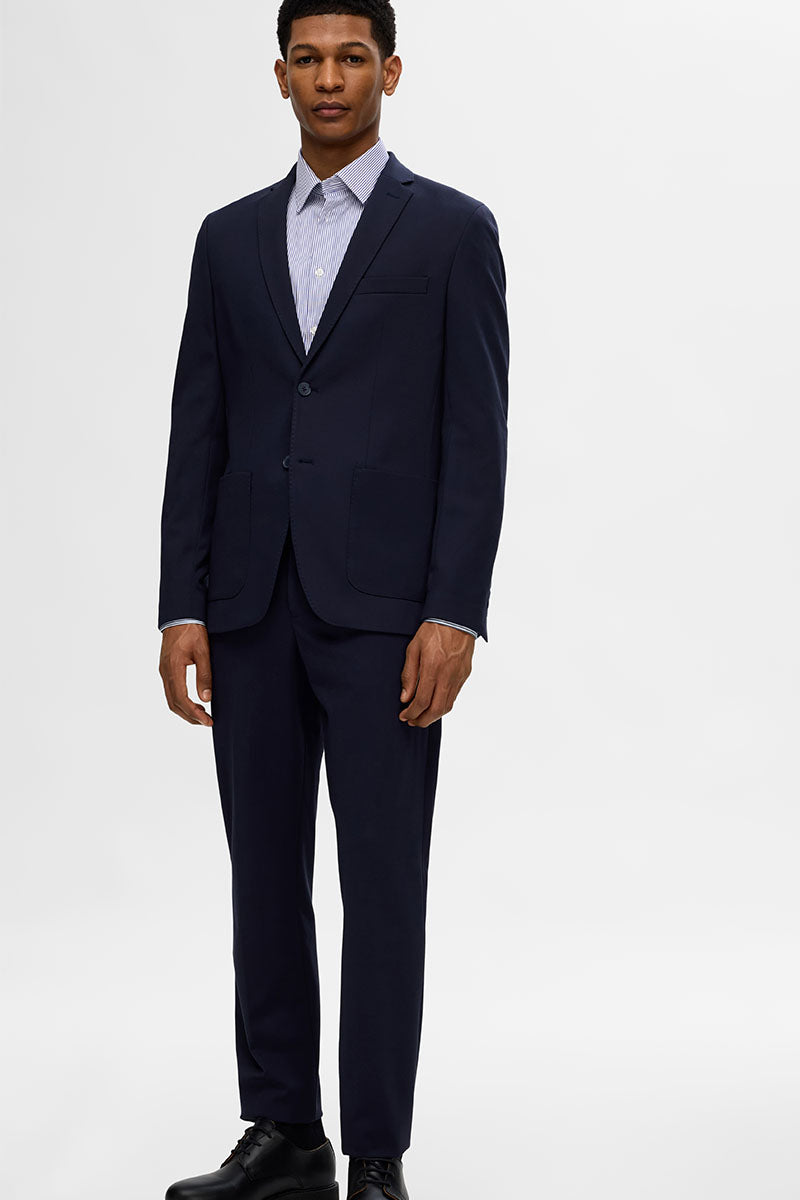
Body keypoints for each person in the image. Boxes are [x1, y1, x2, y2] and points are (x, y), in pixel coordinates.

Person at [157, 2, 509, 1197]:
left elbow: (475, 436)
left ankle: (374, 1155)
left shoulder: (450, 231)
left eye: (350, 57)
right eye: (306, 58)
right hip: (249, 605)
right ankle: (284, 1132)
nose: (327, 78)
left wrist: (453, 611)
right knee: (263, 877)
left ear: (388, 71)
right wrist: (181, 602)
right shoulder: (227, 239)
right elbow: (199, 425)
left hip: (385, 619)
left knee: (381, 885)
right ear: (279, 76)